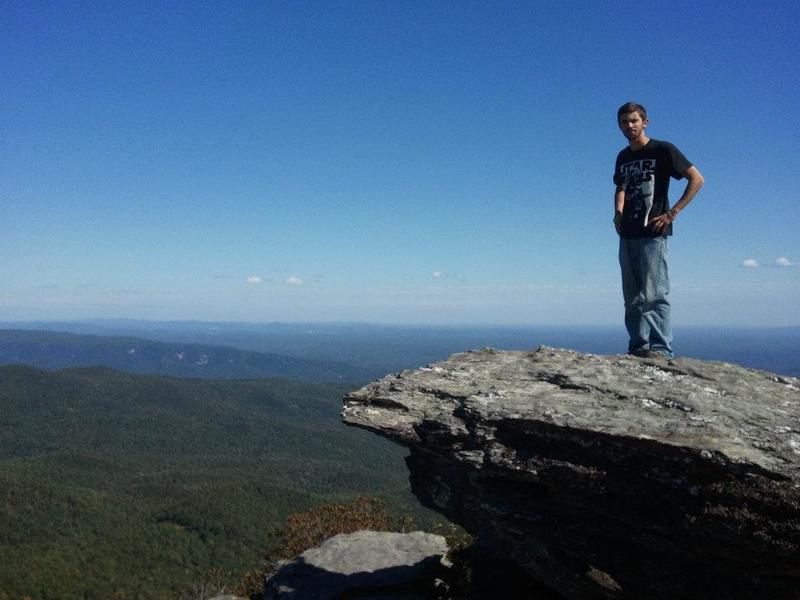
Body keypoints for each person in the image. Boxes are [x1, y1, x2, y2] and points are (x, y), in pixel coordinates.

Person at [613, 102, 704, 358]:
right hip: (628, 234)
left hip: (654, 233)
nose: (629, 126)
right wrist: (618, 213)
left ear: (645, 122)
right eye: (624, 122)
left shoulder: (663, 150)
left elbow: (697, 179)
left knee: (654, 294)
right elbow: (620, 186)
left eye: (633, 121)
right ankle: (638, 347)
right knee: (632, 297)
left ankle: (661, 350)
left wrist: (673, 213)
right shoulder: (623, 156)